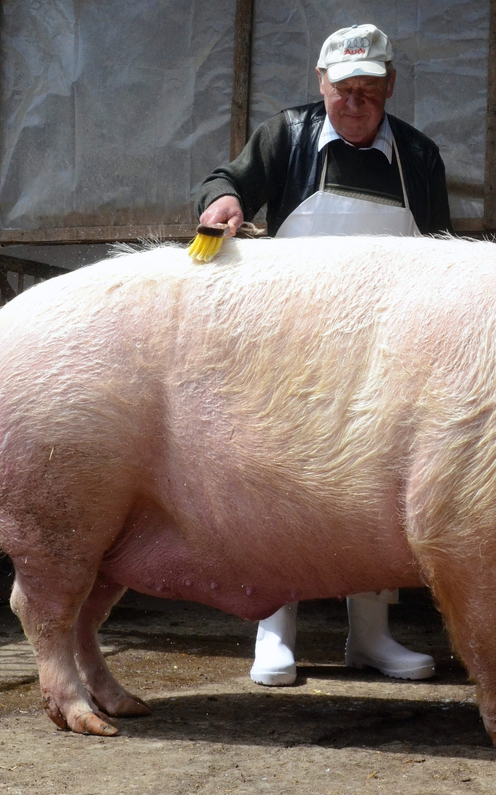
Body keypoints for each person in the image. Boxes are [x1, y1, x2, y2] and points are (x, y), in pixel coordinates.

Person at [195, 23, 451, 687]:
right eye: (344, 90)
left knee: (375, 499)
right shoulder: (289, 134)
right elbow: (229, 180)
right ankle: (274, 632)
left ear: (391, 86)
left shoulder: (418, 157)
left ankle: (369, 635)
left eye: (370, 90)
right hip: (292, 352)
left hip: (387, 360)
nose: (356, 103)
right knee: (280, 491)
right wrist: (223, 201)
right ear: (321, 83)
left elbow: (449, 259)